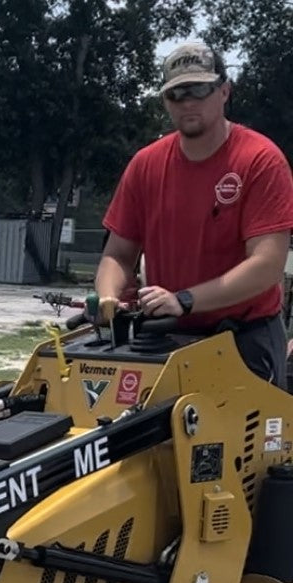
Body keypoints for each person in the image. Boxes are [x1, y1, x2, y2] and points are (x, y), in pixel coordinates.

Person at [96, 41, 293, 387]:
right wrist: (108, 298)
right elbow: (118, 253)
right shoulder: (146, 164)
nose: (188, 101)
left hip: (242, 338)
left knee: (243, 439)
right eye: (176, 93)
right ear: (165, 102)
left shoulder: (260, 160)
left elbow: (266, 267)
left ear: (224, 92)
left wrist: (184, 300)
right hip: (165, 337)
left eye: (199, 89)